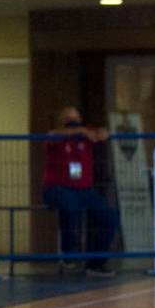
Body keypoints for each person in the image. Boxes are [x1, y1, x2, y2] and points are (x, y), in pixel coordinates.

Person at [42, 107, 119, 276]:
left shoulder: (86, 138)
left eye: (77, 117)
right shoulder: (55, 136)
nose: (74, 120)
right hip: (58, 188)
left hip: (84, 190)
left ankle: (96, 263)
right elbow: (53, 135)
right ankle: (68, 254)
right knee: (70, 206)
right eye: (69, 118)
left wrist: (100, 132)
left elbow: (101, 133)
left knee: (109, 217)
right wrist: (81, 129)